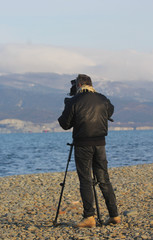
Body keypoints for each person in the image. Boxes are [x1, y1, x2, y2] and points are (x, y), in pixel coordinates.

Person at [58, 74, 120, 228]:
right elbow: (110, 112)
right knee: (104, 179)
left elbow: (64, 124)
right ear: (90, 84)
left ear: (79, 85)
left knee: (85, 180)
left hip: (82, 144)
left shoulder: (74, 101)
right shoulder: (102, 98)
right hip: (100, 144)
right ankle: (114, 215)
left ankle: (89, 217)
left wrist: (69, 107)